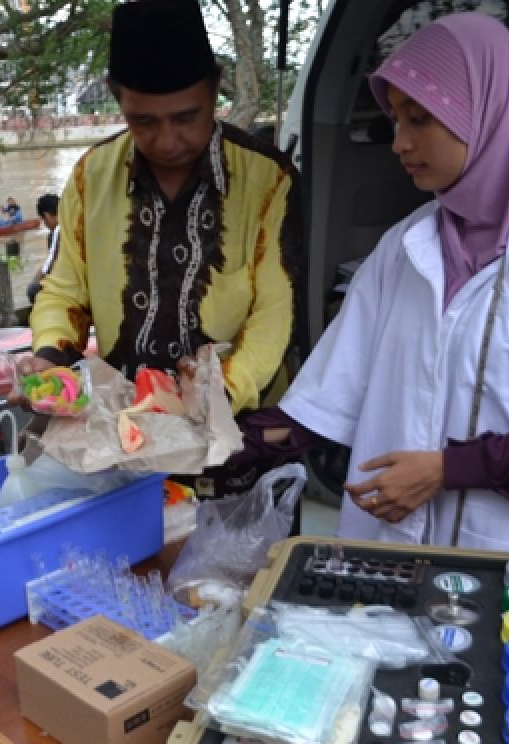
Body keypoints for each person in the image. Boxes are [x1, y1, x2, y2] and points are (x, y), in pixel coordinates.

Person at [277, 14, 509, 560]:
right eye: (395, 120)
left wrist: (447, 470)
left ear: (485, 113)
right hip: (386, 553)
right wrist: (214, 440)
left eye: (420, 118)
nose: (399, 143)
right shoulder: (402, 248)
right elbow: (331, 393)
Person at [28, 0, 305, 499]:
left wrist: (213, 390)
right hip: (125, 437)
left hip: (237, 440)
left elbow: (273, 314)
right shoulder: (91, 176)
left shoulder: (268, 180)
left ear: (215, 88)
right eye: (143, 121)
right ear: (118, 99)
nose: (167, 139)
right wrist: (49, 356)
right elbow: (65, 289)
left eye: (186, 117)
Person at [26, 192, 60, 304]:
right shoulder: (73, 223)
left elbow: (48, 267)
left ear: (46, 216)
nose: (45, 224)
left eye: (44, 220)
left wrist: (36, 280)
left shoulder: (57, 231)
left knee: (32, 290)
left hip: (68, 283)